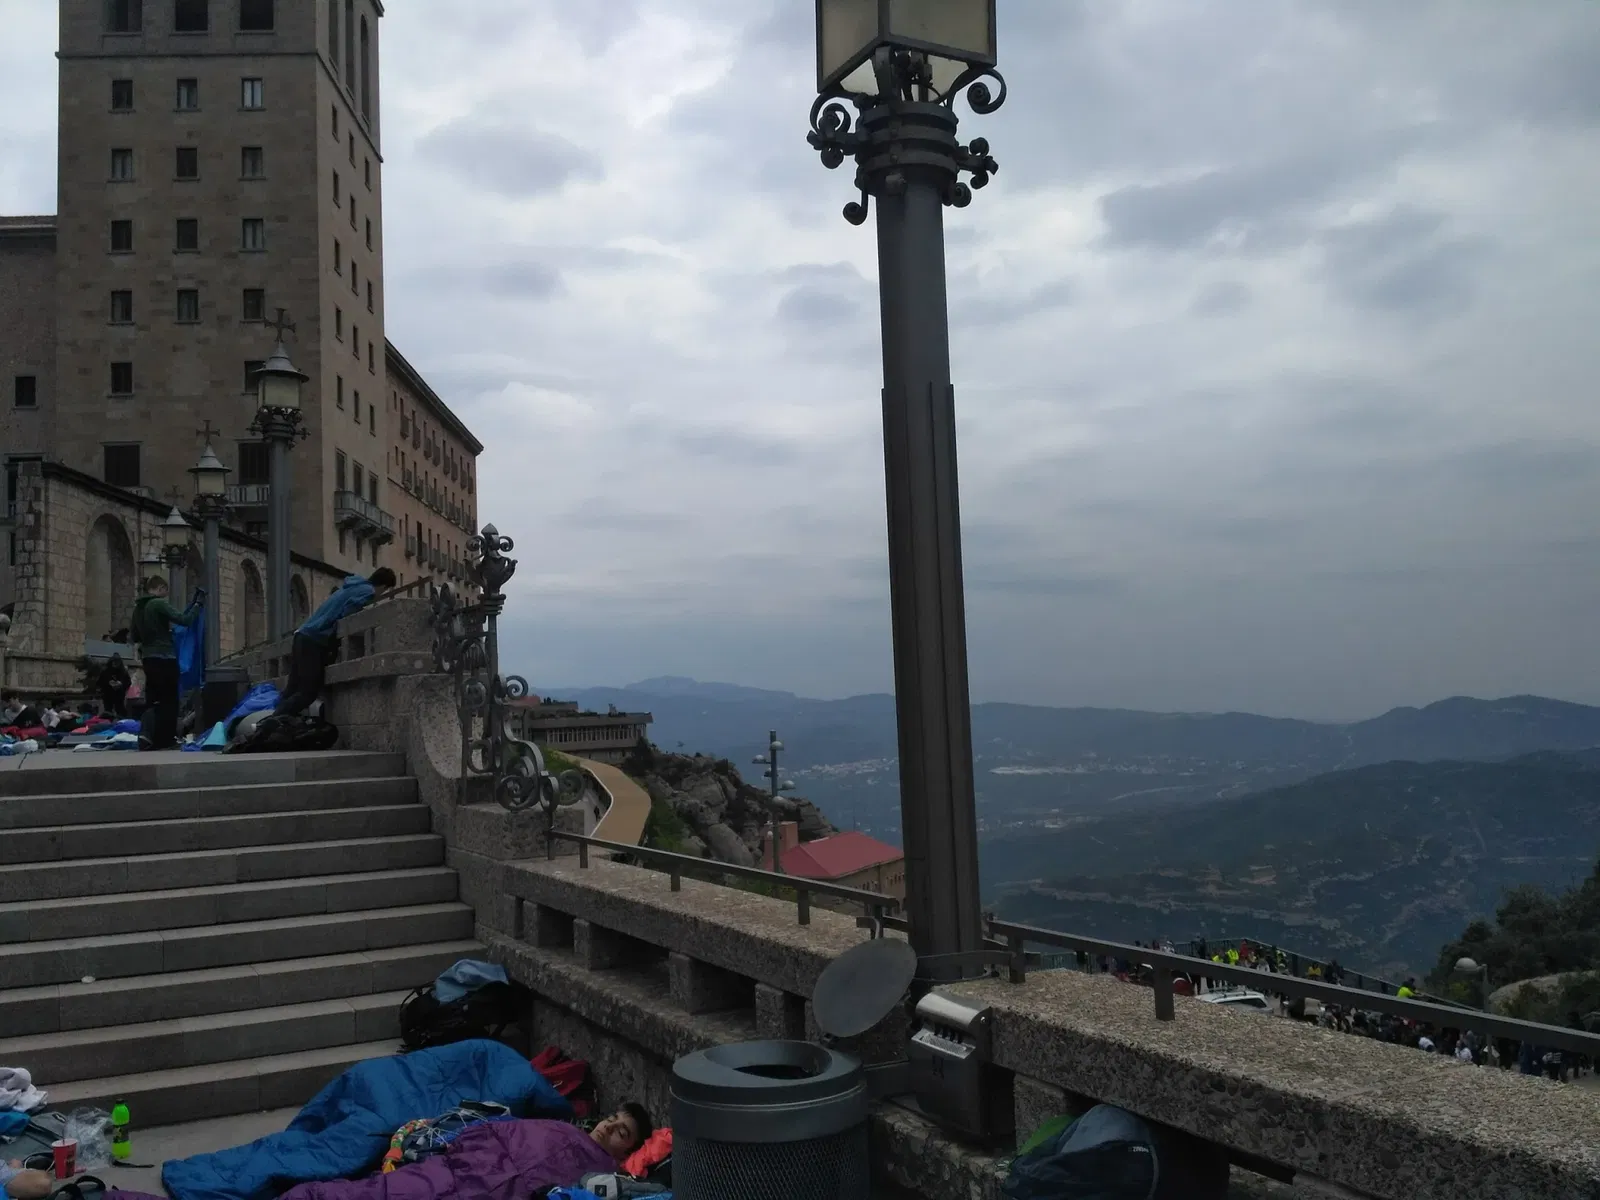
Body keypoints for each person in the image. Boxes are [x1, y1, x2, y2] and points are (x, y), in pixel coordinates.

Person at [274, 568, 396, 717]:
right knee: (308, 693)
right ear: (384, 587)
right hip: (314, 640)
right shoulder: (367, 590)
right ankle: (271, 722)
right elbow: (348, 614)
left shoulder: (352, 586)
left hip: (302, 635)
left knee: (292, 689)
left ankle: (268, 722)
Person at [130, 576, 203, 750]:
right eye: (166, 591)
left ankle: (149, 736)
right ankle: (167, 739)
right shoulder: (158, 604)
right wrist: (198, 606)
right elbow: (184, 620)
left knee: (153, 700)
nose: (166, 595)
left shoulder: (138, 608)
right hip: (165, 657)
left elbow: (134, 636)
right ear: (161, 588)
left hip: (148, 658)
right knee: (169, 700)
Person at [99, 652, 132, 716]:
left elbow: (128, 682)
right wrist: (108, 683)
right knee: (108, 711)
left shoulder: (123, 671)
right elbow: (100, 682)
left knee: (120, 710)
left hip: (119, 695)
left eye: (117, 662)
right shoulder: (105, 671)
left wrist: (121, 684)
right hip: (108, 695)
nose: (115, 663)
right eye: (114, 662)